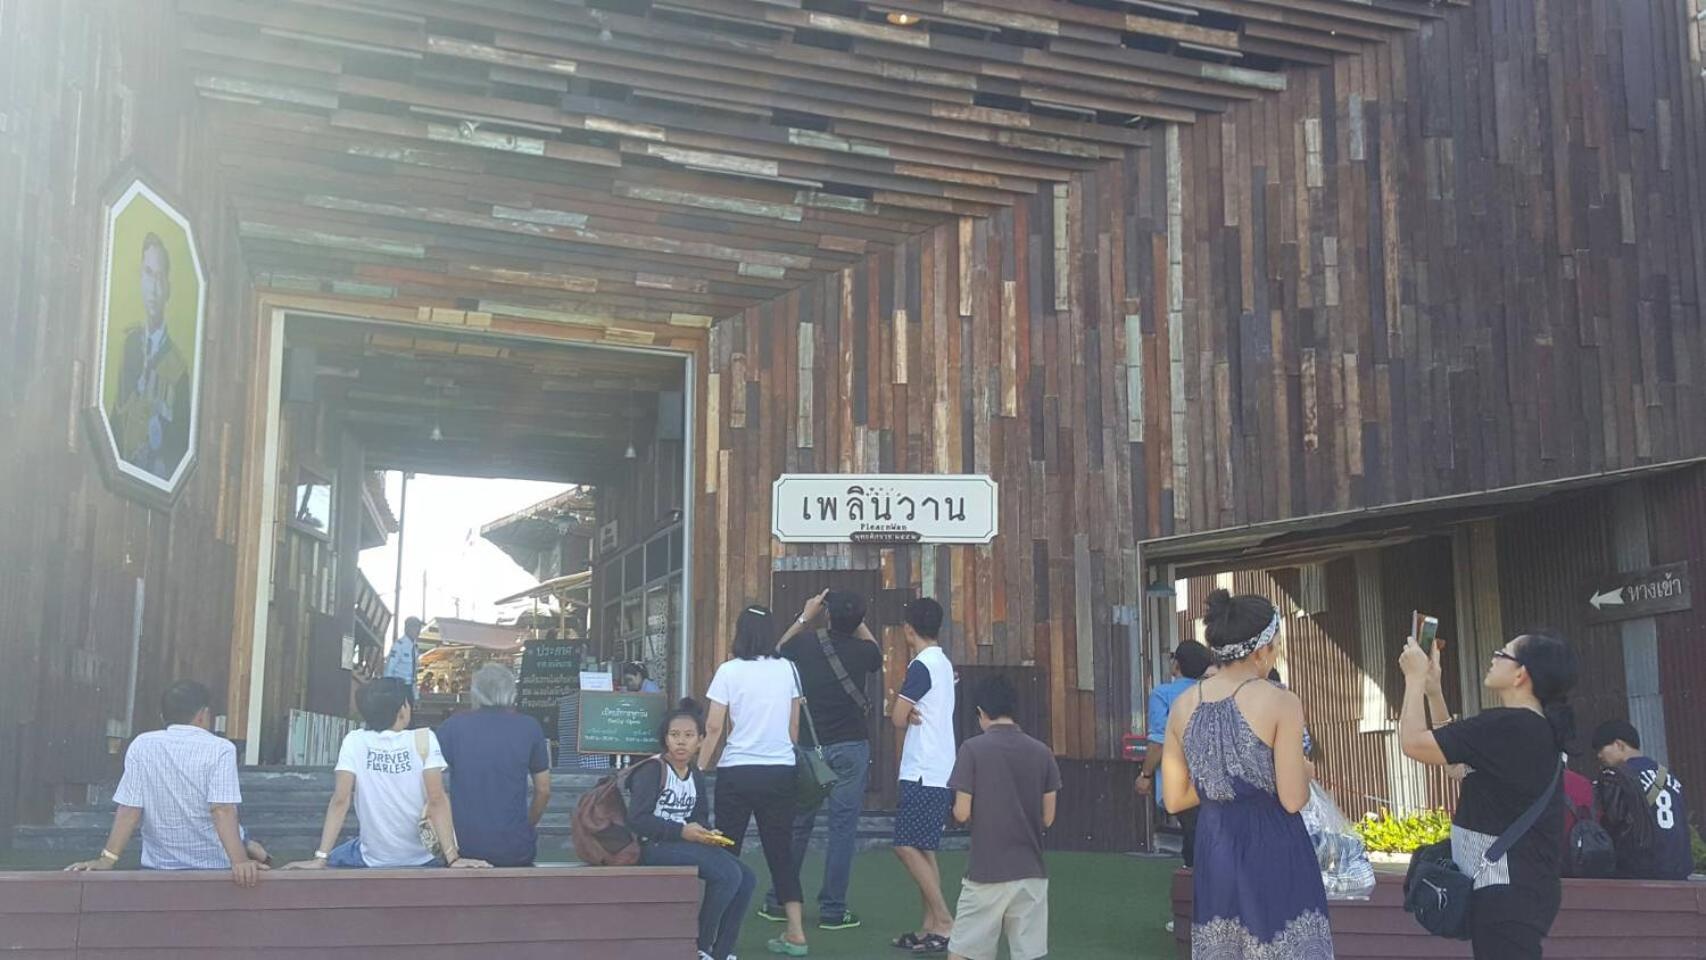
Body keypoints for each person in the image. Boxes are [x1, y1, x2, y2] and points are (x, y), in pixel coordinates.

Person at [1161, 590, 1330, 959]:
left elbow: (1174, 799)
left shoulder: (1182, 706)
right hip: (1273, 843)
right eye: (1277, 645)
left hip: (1215, 847)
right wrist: (1303, 769)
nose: (1277, 653)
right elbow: (1293, 798)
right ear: (1260, 650)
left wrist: (1222, 780)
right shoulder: (1280, 701)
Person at [1399, 629, 1578, 959]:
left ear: (1521, 674)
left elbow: (1413, 742)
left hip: (1507, 892)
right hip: (1516, 891)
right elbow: (1458, 767)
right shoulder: (1529, 728)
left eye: (1502, 653)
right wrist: (1433, 692)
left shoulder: (1510, 726)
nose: (1493, 659)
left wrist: (1413, 678)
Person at [65, 680, 268, 887]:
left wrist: (107, 860)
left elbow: (129, 809)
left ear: (163, 716)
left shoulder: (142, 745)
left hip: (160, 865)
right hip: (215, 864)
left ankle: (249, 844)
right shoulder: (221, 749)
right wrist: (240, 862)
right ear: (203, 714)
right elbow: (222, 810)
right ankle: (249, 845)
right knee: (248, 843)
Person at [761, 589, 884, 930]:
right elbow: (876, 652)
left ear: (827, 615)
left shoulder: (804, 644)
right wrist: (857, 620)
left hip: (809, 748)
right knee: (842, 830)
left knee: (798, 825)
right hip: (851, 747)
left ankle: (778, 900)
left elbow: (776, 652)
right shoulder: (864, 651)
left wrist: (805, 615)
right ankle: (833, 909)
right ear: (859, 620)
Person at [286, 678, 489, 870]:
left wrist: (320, 858)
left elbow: (340, 800)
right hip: (424, 857)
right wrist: (453, 858)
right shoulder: (424, 738)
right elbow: (436, 799)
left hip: (374, 857)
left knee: (337, 855)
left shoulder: (354, 741)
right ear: (402, 710)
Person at [700, 605, 809, 956]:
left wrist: (698, 769)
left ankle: (713, 931)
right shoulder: (788, 669)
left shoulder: (728, 671)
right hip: (780, 770)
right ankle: (796, 931)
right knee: (780, 852)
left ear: (740, 632)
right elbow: (794, 727)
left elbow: (713, 727)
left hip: (737, 770)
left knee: (725, 851)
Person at [628, 698, 756, 960]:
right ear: (665, 739)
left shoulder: (694, 773)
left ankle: (724, 951)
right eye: (674, 735)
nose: (681, 742)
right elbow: (638, 820)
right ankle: (700, 947)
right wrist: (682, 831)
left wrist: (707, 834)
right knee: (728, 875)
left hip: (684, 842)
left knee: (747, 877)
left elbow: (698, 816)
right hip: (651, 845)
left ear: (700, 740)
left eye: (688, 736)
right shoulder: (653, 769)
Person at [944, 675, 1061, 960]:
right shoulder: (1042, 752)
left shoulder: (972, 749)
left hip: (986, 871)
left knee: (964, 952)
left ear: (981, 712)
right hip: (1031, 871)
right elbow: (1048, 818)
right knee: (1028, 954)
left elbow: (962, 812)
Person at [890, 597, 959, 955]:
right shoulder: (943, 663)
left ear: (909, 629)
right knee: (922, 847)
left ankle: (944, 921)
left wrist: (906, 711)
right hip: (940, 767)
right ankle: (930, 925)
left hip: (921, 768)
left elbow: (897, 717)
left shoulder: (920, 665)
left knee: (905, 845)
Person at [435, 663, 552, 867]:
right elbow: (543, 790)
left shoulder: (452, 727)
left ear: (475, 692)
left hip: (463, 846)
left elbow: (430, 785)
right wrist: (526, 826)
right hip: (515, 847)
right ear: (512, 692)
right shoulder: (529, 727)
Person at [110, 232, 191, 480]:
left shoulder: (178, 369)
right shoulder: (130, 344)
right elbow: (116, 418)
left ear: (168, 288)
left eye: (160, 277)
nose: (154, 288)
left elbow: (179, 449)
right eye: (148, 273)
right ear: (140, 279)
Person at [1136, 640, 1212, 871]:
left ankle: (1194, 879)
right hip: (1214, 778)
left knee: (1193, 837)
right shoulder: (1213, 693)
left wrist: (1145, 775)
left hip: (1180, 781)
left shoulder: (1163, 694)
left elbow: (1159, 741)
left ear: (1176, 664)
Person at [1591, 719, 1692, 880]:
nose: (1599, 755)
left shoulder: (1616, 778)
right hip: (1679, 871)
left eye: (1601, 748)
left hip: (1641, 873)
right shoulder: (1669, 777)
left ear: (1619, 745)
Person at [385, 618, 423, 697]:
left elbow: (414, 671)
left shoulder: (415, 647)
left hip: (410, 688)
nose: (418, 631)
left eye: (419, 628)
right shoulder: (399, 646)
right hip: (398, 687)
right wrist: (388, 689)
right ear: (407, 629)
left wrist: (416, 694)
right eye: (415, 628)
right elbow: (389, 668)